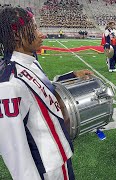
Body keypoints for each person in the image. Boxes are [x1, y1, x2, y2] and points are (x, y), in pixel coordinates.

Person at [0, 7, 92, 180]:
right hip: (47, 169)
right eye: (34, 29)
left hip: (59, 158)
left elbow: (42, 91)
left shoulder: (29, 62)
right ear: (17, 35)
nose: (41, 34)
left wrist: (71, 76)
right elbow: (14, 150)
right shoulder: (9, 84)